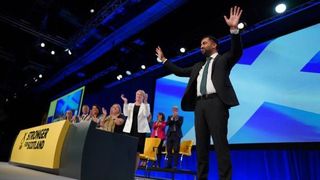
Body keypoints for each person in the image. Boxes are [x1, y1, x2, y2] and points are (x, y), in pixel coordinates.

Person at [155, 6, 243, 180]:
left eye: (204, 43)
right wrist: (164, 60)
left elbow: (237, 52)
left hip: (217, 103)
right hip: (199, 106)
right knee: (201, 146)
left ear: (214, 44)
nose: (201, 46)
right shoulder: (198, 66)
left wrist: (234, 30)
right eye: (201, 44)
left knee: (220, 145)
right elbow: (179, 71)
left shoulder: (223, 59)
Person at [121, 90, 151, 170]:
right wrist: (125, 102)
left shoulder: (146, 105)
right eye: (137, 94)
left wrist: (145, 102)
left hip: (140, 131)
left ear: (143, 96)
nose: (138, 95)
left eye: (140, 94)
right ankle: (126, 170)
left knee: (137, 153)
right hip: (129, 130)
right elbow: (126, 114)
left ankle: (133, 172)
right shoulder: (130, 105)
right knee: (128, 150)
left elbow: (147, 114)